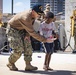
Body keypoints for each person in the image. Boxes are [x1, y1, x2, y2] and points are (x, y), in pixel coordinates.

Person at [6, 4, 54, 71]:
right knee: (18, 49)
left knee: (28, 46)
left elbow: (31, 25)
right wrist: (45, 40)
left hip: (23, 29)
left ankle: (28, 65)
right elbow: (33, 32)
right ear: (33, 11)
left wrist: (27, 34)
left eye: (40, 14)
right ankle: (10, 63)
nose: (39, 16)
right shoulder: (25, 17)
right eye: (38, 14)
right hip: (13, 29)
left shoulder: (34, 15)